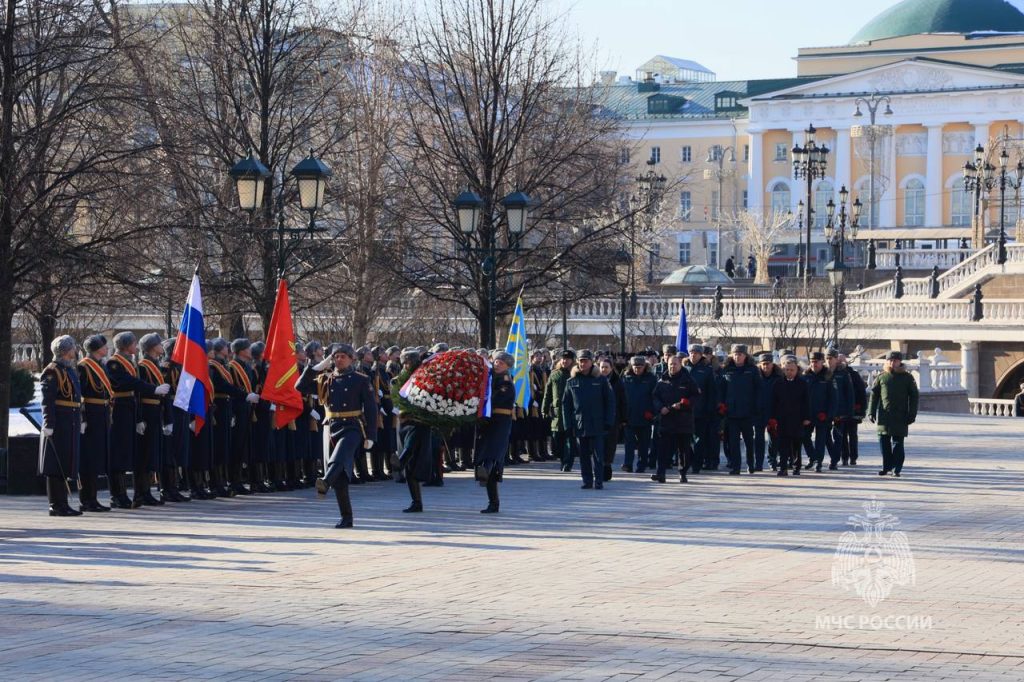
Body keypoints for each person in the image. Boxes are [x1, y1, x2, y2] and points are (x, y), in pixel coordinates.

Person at [299, 343, 377, 528]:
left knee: (339, 456)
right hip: (332, 425)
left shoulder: (360, 379)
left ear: (351, 359)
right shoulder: (326, 379)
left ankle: (325, 481)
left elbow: (371, 409)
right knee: (341, 478)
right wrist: (314, 367)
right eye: (336, 356)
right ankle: (346, 517)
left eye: (343, 356)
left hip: (353, 426)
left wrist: (371, 435)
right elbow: (300, 386)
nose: (339, 359)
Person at [106, 331, 170, 508]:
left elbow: (136, 391)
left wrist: (138, 417)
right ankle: (118, 495)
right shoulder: (114, 363)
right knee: (119, 455)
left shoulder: (129, 362)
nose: (136, 346)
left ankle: (143, 492)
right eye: (133, 343)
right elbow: (127, 382)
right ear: (126, 346)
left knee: (139, 455)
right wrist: (153, 389)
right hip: (119, 410)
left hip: (131, 408)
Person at [39, 335, 83, 516]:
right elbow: (47, 400)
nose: (75, 350)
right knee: (55, 465)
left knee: (64, 462)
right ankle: (56, 504)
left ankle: (62, 503)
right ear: (65, 350)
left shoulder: (68, 370)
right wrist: (49, 423)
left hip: (70, 421)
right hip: (59, 422)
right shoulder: (52, 371)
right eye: (73, 347)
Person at [475, 351, 517, 513]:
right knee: (487, 456)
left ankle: (486, 470)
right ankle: (493, 502)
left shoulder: (505, 381)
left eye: (501, 362)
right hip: (487, 421)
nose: (497, 364)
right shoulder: (489, 377)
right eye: (496, 361)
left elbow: (497, 399)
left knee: (493, 453)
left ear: (507, 366)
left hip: (500, 421)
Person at [868, 351, 919, 477]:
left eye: (895, 360)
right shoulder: (881, 377)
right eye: (890, 360)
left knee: (898, 443)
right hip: (884, 416)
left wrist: (912, 414)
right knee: (883, 443)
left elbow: (914, 397)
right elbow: (874, 396)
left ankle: (896, 468)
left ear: (899, 361)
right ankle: (886, 467)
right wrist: (871, 412)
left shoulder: (907, 377)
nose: (892, 363)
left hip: (900, 416)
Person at [77, 334, 113, 512]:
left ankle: (93, 498)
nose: (107, 349)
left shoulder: (101, 366)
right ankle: (86, 499)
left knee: (97, 458)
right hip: (91, 414)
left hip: (102, 414)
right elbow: (79, 395)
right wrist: (82, 418)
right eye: (104, 346)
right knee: (89, 459)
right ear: (97, 348)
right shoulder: (84, 367)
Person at [651, 353, 699, 483]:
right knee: (663, 449)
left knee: (683, 450)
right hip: (666, 420)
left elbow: (696, 396)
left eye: (675, 364)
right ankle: (661, 473)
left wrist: (684, 404)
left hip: (683, 421)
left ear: (680, 365)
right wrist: (660, 408)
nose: (672, 366)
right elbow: (655, 397)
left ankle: (682, 473)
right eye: (670, 364)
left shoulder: (688, 380)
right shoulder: (662, 380)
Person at [136, 333, 169, 506]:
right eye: (158, 344)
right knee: (146, 453)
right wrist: (139, 417)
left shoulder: (155, 365)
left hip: (156, 411)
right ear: (151, 347)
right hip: (147, 411)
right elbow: (139, 394)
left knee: (153, 453)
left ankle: (148, 490)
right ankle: (143, 491)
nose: (161, 346)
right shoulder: (142, 366)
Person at [719, 344, 762, 475]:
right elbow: (721, 390)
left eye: (740, 354)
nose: (737, 356)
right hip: (731, 412)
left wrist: (756, 408)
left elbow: (758, 390)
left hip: (747, 412)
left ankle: (750, 464)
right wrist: (721, 405)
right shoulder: (726, 370)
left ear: (745, 356)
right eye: (735, 354)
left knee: (749, 441)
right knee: (733, 442)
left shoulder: (752, 370)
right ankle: (736, 466)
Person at [227, 338, 260, 494]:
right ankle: (234, 481)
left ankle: (240, 480)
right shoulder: (232, 367)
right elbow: (230, 389)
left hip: (246, 408)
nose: (250, 350)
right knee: (237, 446)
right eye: (247, 348)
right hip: (237, 409)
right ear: (240, 351)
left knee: (245, 446)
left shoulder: (246, 366)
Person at [159, 338, 190, 502]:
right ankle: (168, 488)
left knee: (178, 449)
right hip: (171, 408)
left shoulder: (179, 366)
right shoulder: (166, 366)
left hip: (180, 407)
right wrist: (167, 418)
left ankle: (174, 487)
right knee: (170, 451)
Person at [771, 356, 810, 476]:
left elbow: (807, 402)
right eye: (787, 369)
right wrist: (773, 418)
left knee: (796, 445)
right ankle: (783, 468)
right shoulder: (778, 383)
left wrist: (807, 418)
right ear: (783, 370)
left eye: (792, 370)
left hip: (798, 419)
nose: (789, 372)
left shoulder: (803, 383)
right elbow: (773, 402)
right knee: (783, 444)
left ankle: (796, 466)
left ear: (797, 370)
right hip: (782, 419)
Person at [542, 349, 578, 472]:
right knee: (557, 439)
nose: (564, 361)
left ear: (572, 361)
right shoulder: (554, 374)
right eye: (563, 358)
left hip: (571, 412)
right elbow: (548, 393)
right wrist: (544, 408)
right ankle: (563, 459)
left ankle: (568, 463)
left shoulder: (576, 374)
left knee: (570, 438)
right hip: (557, 412)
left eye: (567, 359)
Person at [683, 344, 716, 474]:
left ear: (700, 354)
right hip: (685, 410)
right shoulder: (684, 369)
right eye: (691, 352)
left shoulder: (707, 370)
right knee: (685, 439)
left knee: (699, 440)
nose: (693, 354)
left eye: (696, 352)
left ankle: (697, 464)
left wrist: (709, 408)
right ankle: (688, 461)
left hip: (701, 411)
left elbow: (711, 392)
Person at [621, 355, 656, 473]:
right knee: (629, 443)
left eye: (640, 367)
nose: (637, 369)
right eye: (635, 367)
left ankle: (642, 464)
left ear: (644, 367)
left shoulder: (651, 379)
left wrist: (651, 412)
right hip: (629, 416)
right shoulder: (626, 378)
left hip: (645, 415)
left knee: (644, 444)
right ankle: (628, 464)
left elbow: (655, 397)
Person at [802, 351, 835, 473]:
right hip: (808, 414)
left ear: (822, 362)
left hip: (822, 415)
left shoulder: (828, 377)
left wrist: (828, 414)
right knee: (804, 436)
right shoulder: (805, 377)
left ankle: (819, 462)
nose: (813, 364)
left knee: (820, 440)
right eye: (811, 361)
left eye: (816, 362)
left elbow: (833, 399)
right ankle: (813, 457)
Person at [826, 348, 856, 470]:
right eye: (826, 358)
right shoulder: (823, 373)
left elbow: (850, 394)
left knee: (838, 437)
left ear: (836, 359)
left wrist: (850, 412)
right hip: (826, 411)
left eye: (831, 358)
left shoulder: (843, 374)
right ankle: (834, 455)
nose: (828, 361)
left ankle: (834, 460)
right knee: (826, 437)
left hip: (840, 411)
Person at [597, 357, 626, 481]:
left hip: (613, 417)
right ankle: (598, 468)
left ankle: (607, 466)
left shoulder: (617, 382)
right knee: (598, 444)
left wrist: (623, 418)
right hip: (598, 417)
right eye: (602, 367)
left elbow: (623, 401)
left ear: (611, 368)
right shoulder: (595, 380)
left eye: (606, 367)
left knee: (610, 444)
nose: (603, 370)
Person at [753, 352, 782, 471]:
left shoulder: (778, 378)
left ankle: (772, 460)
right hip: (758, 412)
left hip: (773, 412)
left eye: (768, 364)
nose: (765, 367)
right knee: (759, 439)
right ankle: (758, 463)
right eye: (763, 364)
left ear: (772, 364)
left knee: (773, 439)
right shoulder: (755, 377)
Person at [844, 354, 868, 465]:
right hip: (840, 410)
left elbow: (862, 393)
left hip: (854, 409)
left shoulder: (854, 375)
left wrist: (862, 409)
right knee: (841, 434)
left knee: (852, 434)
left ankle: (853, 457)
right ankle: (844, 456)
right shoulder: (833, 374)